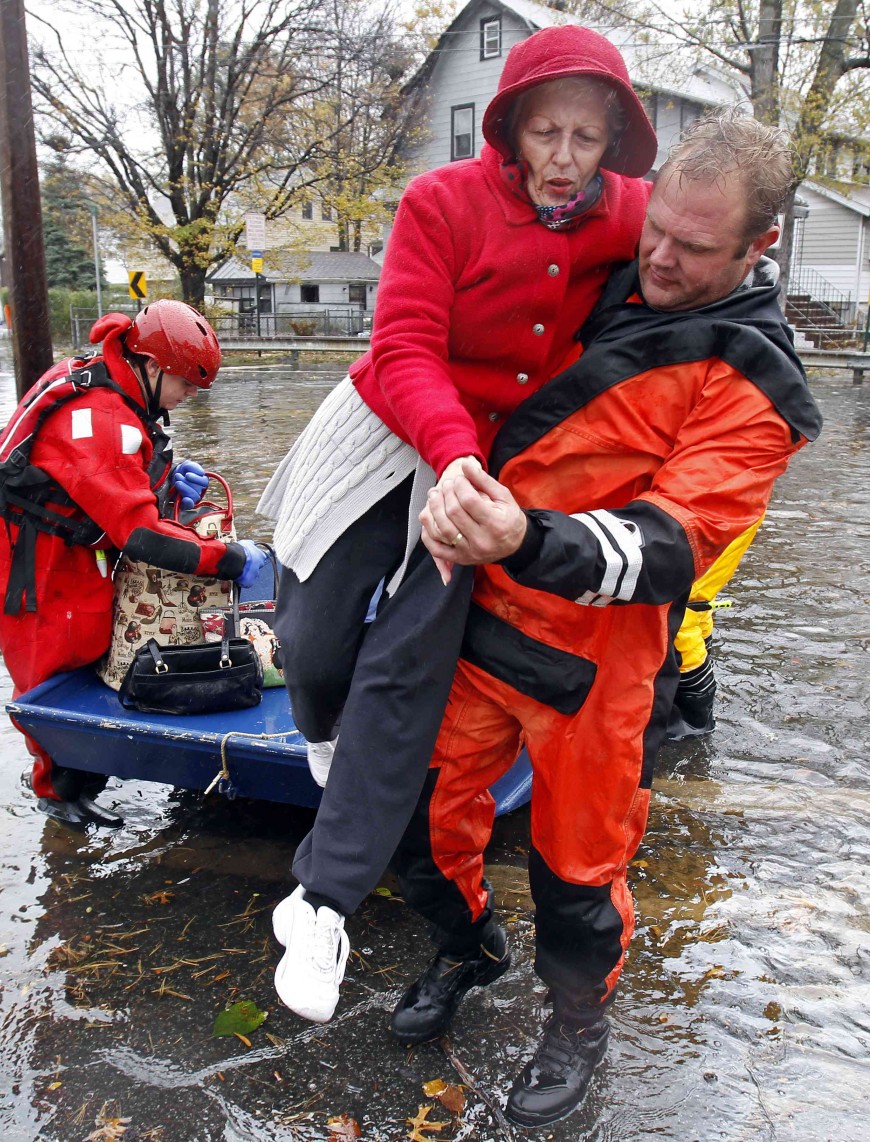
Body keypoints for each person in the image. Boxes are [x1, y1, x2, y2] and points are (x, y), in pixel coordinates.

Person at [386, 109, 823, 1128]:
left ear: (756, 248)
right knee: (413, 821)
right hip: (481, 618)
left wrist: (520, 539)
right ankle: (466, 945)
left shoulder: (756, 380)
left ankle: (576, 1022)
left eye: (693, 248)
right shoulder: (604, 263)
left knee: (578, 873)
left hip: (595, 659)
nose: (659, 258)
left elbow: (669, 544)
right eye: (654, 229)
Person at [258, 24, 658, 1024]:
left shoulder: (634, 215)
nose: (562, 159)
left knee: (409, 660)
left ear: (610, 134)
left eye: (583, 136)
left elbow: (713, 233)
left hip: (492, 468)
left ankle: (325, 899)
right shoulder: (441, 200)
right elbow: (399, 347)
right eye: (544, 132)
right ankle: (324, 745)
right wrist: (451, 450)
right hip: (394, 419)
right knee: (308, 644)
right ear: (511, 126)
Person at [0, 300, 266, 827]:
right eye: (187, 384)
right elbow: (145, 537)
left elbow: (98, 480)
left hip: (62, 552)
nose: (191, 397)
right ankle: (57, 795)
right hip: (26, 565)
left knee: (88, 649)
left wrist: (167, 477)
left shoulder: (107, 381)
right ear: (152, 367)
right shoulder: (100, 417)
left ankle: (79, 776)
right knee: (48, 675)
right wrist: (229, 558)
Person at [667, 516, 763, 739]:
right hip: (728, 506)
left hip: (713, 507)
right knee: (694, 604)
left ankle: (688, 727)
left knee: (677, 612)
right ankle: (693, 724)